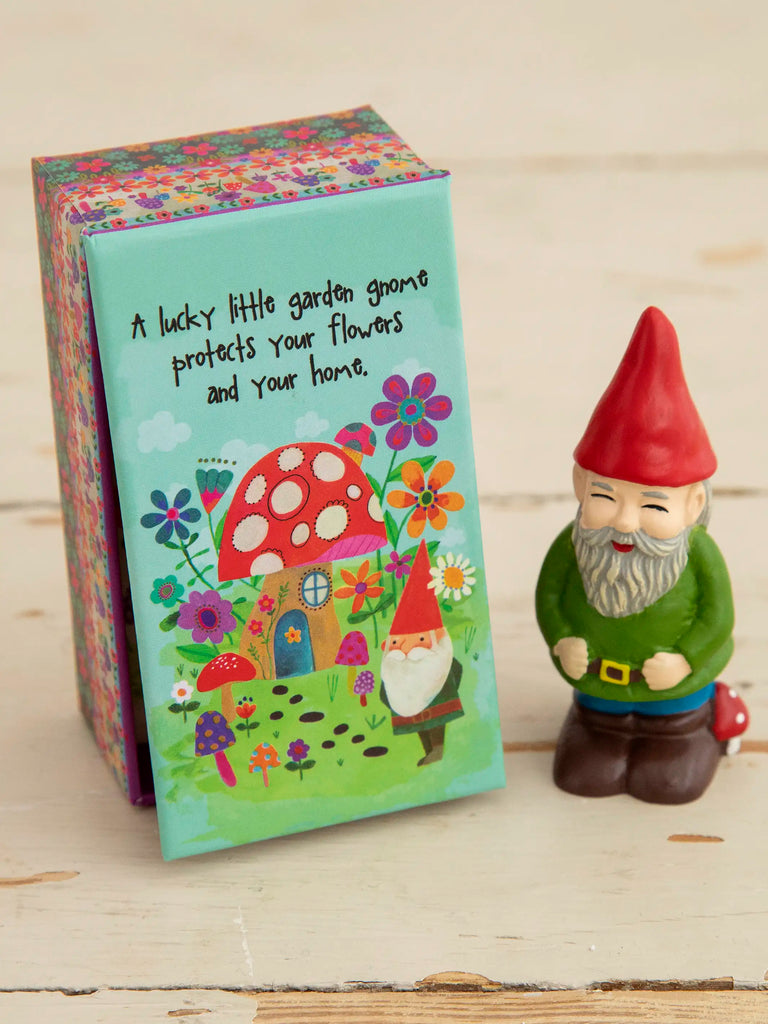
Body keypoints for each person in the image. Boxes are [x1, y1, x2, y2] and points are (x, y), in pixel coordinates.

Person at [536, 306, 744, 803]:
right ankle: (600, 737)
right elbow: (550, 598)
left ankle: (681, 739)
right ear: (581, 484)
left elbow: (718, 616)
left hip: (676, 699)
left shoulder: (698, 554)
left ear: (692, 504)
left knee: (667, 779)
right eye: (606, 497)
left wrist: (685, 659)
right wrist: (563, 640)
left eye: (653, 505)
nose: (626, 523)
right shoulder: (574, 544)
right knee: (585, 772)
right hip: (596, 697)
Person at [380, 541, 464, 766]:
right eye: (397, 642)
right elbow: (384, 693)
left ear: (435, 637)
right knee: (418, 726)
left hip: (437, 704)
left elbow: (457, 669)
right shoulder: (393, 672)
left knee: (435, 725)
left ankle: (437, 748)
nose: (406, 649)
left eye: (418, 640)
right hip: (407, 704)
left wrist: (445, 683)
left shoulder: (439, 662)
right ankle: (429, 750)